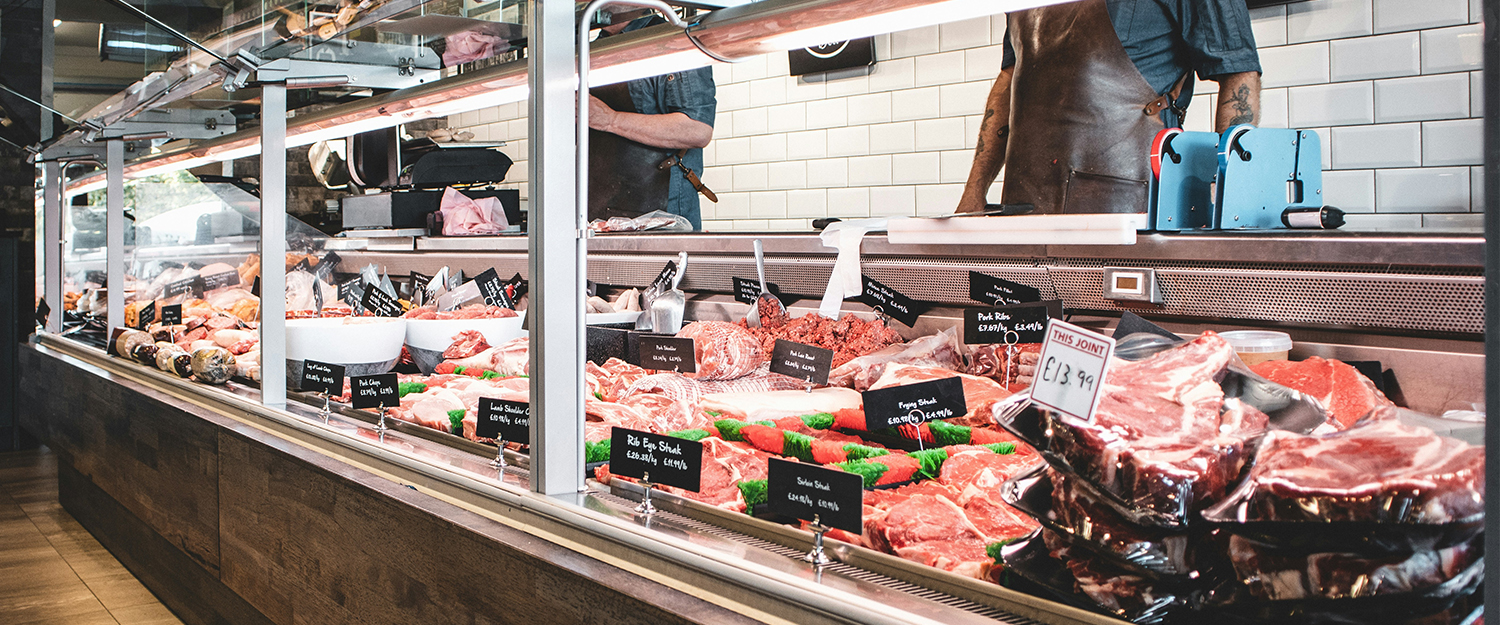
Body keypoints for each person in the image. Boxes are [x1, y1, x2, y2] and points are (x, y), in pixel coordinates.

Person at [957, 0, 1262, 215]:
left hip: (1129, 211)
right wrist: (974, 191)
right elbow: (1010, 76)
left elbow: (1238, 73)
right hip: (1023, 208)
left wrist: (1226, 190)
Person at [586, 9, 716, 230]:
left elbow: (697, 129)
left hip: (658, 215)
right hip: (600, 215)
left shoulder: (670, 42)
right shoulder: (590, 50)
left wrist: (610, 119)